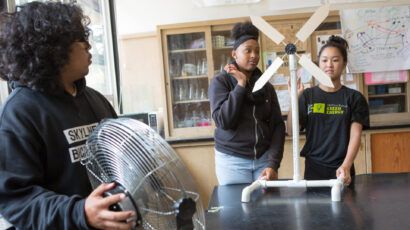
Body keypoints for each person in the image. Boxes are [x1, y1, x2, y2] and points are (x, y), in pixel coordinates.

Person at [0, 2, 136, 229]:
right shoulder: (18, 114)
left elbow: (119, 158)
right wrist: (80, 213)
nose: (88, 46)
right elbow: (16, 201)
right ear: (52, 48)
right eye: (79, 40)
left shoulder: (96, 100)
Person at [209, 21, 285, 185]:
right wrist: (241, 86)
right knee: (236, 209)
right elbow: (224, 121)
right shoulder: (220, 82)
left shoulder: (266, 87)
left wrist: (273, 164)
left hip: (263, 161)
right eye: (248, 50)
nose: (254, 55)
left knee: (265, 209)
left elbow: (278, 125)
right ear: (234, 54)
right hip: (231, 162)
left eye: (257, 51)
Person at [287, 35, 369, 187]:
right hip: (314, 168)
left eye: (335, 60)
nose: (329, 65)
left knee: (345, 209)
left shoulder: (354, 98)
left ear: (344, 64)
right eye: (324, 60)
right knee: (316, 210)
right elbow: (292, 131)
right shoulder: (307, 96)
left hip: (342, 168)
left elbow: (355, 135)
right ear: (318, 64)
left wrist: (346, 165)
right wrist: (294, 99)